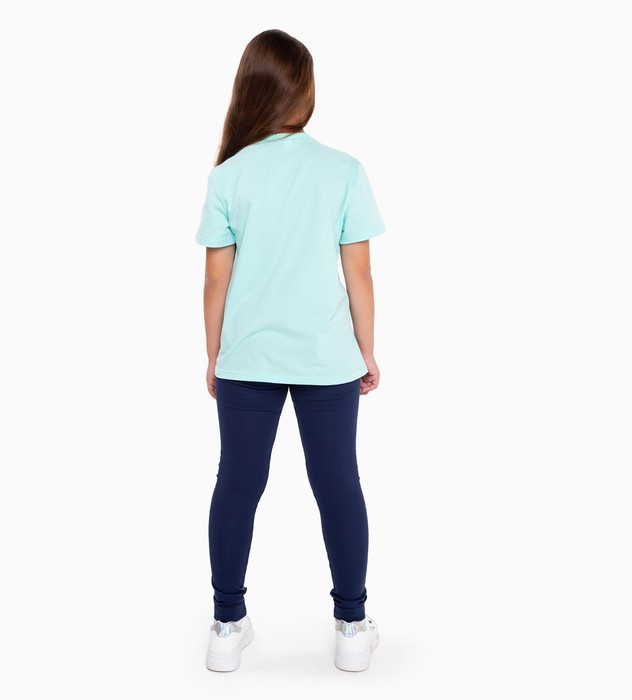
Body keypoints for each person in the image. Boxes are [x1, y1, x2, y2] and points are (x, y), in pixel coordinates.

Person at [195, 29, 384, 673]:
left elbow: (215, 280)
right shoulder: (343, 170)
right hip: (327, 360)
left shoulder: (228, 175)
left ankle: (226, 625)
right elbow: (358, 274)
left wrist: (215, 354)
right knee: (338, 485)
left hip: (247, 360)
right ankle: (352, 626)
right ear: (304, 92)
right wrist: (367, 350)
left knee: (237, 484)